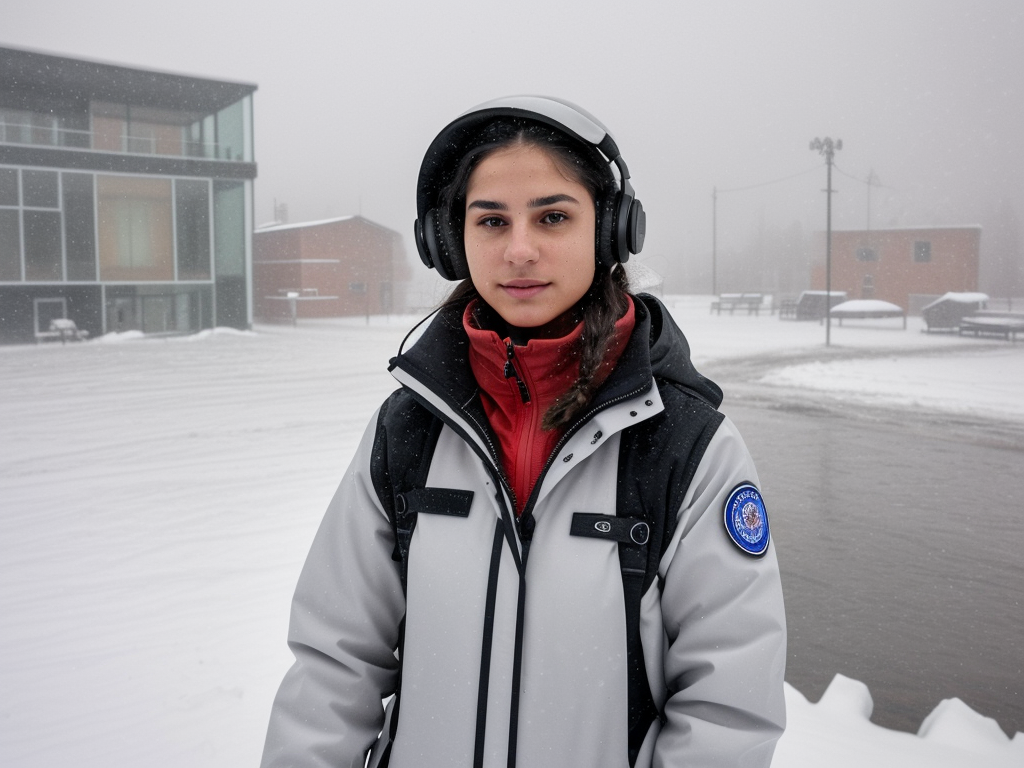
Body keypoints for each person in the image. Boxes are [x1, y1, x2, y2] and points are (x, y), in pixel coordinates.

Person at [261, 96, 786, 768]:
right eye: (490, 221)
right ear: (450, 242)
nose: (518, 249)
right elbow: (335, 665)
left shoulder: (689, 448)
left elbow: (727, 706)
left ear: (611, 231)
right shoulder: (407, 430)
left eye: (553, 216)